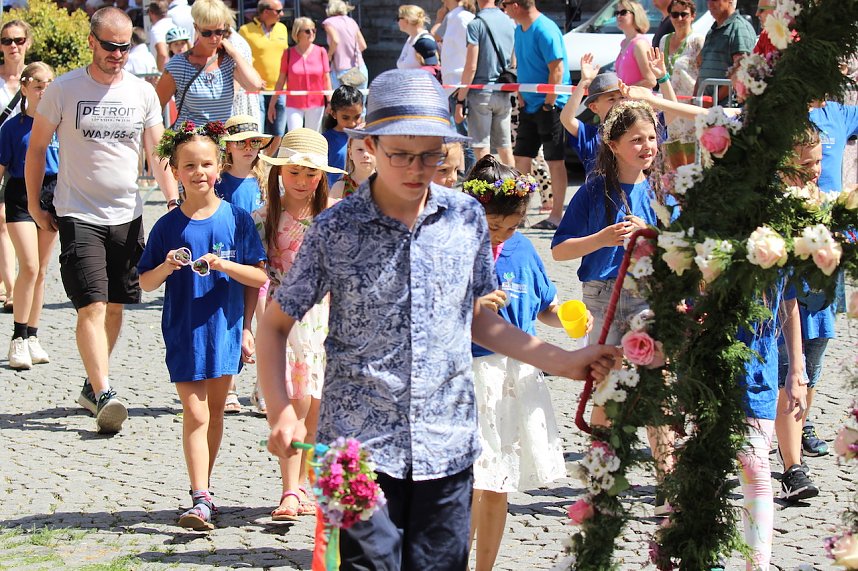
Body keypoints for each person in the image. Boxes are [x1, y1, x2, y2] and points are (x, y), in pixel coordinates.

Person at [256, 68, 621, 569]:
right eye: (401, 155)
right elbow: (274, 325)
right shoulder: (334, 228)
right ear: (371, 148)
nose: (415, 168)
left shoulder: (466, 218)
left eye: (430, 154)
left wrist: (565, 361)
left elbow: (478, 321)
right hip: (355, 450)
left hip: (446, 445)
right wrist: (280, 410)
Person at [25, 7, 179, 434]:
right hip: (79, 213)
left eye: (125, 47)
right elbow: (37, 149)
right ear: (92, 42)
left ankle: (93, 385)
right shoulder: (64, 89)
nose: (117, 54)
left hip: (127, 215)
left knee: (115, 307)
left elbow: (157, 152)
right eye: (110, 46)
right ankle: (106, 391)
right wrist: (38, 206)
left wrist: (171, 201)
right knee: (91, 304)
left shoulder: (142, 92)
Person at [138, 120, 267, 530]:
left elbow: (259, 279)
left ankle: (204, 489)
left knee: (214, 413)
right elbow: (144, 282)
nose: (198, 173)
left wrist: (247, 326)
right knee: (194, 413)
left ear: (219, 165)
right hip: (184, 329)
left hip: (225, 330)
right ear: (175, 171)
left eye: (206, 164)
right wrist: (166, 264)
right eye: (189, 166)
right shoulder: (166, 225)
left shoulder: (238, 219)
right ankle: (200, 495)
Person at [551, 100, 675, 511]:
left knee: (659, 388)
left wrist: (652, 234)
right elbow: (561, 251)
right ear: (614, 144)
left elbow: (683, 249)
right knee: (606, 388)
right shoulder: (593, 189)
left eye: (652, 138)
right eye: (636, 139)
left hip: (650, 295)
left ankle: (667, 481)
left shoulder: (663, 189)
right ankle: (603, 482)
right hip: (604, 294)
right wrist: (601, 239)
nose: (647, 146)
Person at [462, 155, 569, 571]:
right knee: (470, 481)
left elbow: (545, 305)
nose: (503, 234)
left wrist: (564, 315)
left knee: (498, 483)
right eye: (493, 226)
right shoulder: (454, 245)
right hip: (470, 375)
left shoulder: (523, 248)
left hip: (515, 376)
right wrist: (470, 304)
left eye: (512, 225)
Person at [252, 128, 344, 521]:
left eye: (310, 174)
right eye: (294, 172)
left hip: (324, 321)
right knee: (290, 402)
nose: (302, 181)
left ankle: (309, 482)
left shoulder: (334, 219)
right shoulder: (260, 219)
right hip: (280, 319)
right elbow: (255, 278)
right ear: (278, 173)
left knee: (317, 410)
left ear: (322, 177)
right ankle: (290, 489)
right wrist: (249, 326)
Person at [774, 128, 826, 503]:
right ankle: (793, 467)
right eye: (805, 163)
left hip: (819, 309)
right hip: (781, 308)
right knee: (785, 377)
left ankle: (793, 458)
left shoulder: (824, 203)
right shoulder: (773, 207)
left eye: (819, 161)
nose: (814, 171)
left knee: (805, 381)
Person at [2, 63, 58, 370]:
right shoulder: (12, 127)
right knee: (30, 265)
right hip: (20, 195)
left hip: (51, 193)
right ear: (25, 89)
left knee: (42, 270)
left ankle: (33, 334)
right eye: (38, 85)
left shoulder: (60, 123)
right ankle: (18, 337)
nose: (44, 90)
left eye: (49, 83)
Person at [217, 114, 272, 413]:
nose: (248, 148)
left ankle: (264, 388)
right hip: (227, 260)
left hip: (259, 264)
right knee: (230, 323)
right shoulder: (218, 181)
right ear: (229, 147)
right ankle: (229, 387)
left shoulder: (265, 179)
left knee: (265, 327)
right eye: (241, 142)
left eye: (254, 142)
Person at [505, 0, 570, 231]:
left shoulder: (545, 28)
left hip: (551, 104)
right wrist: (521, 93)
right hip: (530, 104)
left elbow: (557, 69)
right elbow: (523, 64)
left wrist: (549, 104)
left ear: (515, 5)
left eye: (504, 4)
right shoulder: (519, 30)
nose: (503, 9)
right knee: (521, 158)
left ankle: (556, 215)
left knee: (555, 160)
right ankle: (518, 213)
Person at [156, 0, 264, 126]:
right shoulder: (179, 64)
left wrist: (234, 52)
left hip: (223, 141)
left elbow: (254, 85)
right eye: (206, 33)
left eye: (219, 32)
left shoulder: (229, 60)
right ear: (196, 28)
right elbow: (156, 108)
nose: (213, 38)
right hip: (190, 142)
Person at [455, 0, 515, 166]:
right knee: (505, 148)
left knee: (481, 148)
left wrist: (460, 99)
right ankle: (517, 189)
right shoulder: (509, 21)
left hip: (480, 93)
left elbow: (471, 66)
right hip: (503, 91)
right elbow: (514, 61)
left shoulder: (476, 24)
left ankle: (486, 190)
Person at [0, 20, 33, 314]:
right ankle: (9, 285)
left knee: (4, 221)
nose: (13, 46)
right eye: (7, 40)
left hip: (21, 160)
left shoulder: (36, 78)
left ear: (28, 43)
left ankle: (12, 288)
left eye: (18, 40)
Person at [238, 0, 290, 150]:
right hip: (256, 89)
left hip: (280, 88)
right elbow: (242, 59)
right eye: (278, 11)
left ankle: (267, 162)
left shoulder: (282, 28)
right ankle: (258, 160)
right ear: (265, 12)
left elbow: (284, 57)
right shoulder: (244, 30)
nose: (282, 14)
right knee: (257, 130)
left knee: (279, 131)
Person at [560, 58, 625, 176]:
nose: (619, 103)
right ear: (594, 108)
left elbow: (669, 114)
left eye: (622, 98)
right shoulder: (590, 135)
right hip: (598, 193)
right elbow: (566, 118)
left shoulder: (635, 129)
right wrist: (584, 82)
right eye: (611, 99)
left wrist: (663, 79)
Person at [659, 0, 703, 168]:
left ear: (692, 16)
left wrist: (697, 99)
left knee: (692, 161)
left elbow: (701, 72)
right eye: (674, 14)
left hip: (688, 106)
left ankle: (691, 193)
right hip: (669, 104)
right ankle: (676, 194)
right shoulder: (664, 40)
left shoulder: (698, 40)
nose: (679, 18)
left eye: (683, 14)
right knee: (673, 158)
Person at [433, 0, 476, 172]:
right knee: (462, 138)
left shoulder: (463, 17)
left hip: (460, 85)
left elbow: (472, 53)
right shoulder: (452, 16)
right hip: (453, 84)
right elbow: (436, 36)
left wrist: (462, 92)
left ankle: (472, 181)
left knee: (467, 140)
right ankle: (466, 177)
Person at [268, 17, 331, 133]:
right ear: (297, 33)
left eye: (314, 30)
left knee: (313, 138)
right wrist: (272, 104)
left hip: (316, 103)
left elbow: (326, 79)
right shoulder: (288, 54)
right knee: (295, 136)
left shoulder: (321, 52)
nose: (311, 33)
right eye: (307, 31)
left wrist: (330, 102)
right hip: (294, 103)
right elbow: (280, 81)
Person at [695, 0, 755, 100]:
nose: (710, 4)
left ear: (730, 1)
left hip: (724, 108)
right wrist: (696, 99)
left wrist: (714, 100)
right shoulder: (712, 31)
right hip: (706, 107)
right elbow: (702, 68)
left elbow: (741, 70)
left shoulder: (739, 28)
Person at [322, 85, 363, 187]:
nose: (352, 123)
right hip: (333, 197)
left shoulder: (366, 137)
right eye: (345, 117)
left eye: (357, 117)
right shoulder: (325, 140)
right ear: (333, 114)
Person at [323, 0, 368, 90]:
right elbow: (363, 45)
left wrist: (329, 55)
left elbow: (335, 40)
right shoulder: (351, 21)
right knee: (360, 103)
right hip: (359, 69)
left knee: (340, 103)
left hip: (341, 70)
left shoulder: (328, 22)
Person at [614, 0, 656, 88]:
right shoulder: (624, 43)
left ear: (636, 15)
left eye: (623, 12)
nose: (618, 16)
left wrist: (625, 90)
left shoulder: (640, 44)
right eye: (617, 13)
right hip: (626, 99)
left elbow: (650, 81)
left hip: (639, 100)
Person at [329, 135, 376, 199]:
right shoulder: (339, 188)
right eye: (360, 149)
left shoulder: (389, 186)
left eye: (371, 149)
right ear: (350, 154)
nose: (366, 155)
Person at [395, 5, 439, 72]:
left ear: (407, 20)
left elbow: (432, 70)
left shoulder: (425, 42)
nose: (397, 22)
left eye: (398, 18)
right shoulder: (410, 39)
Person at [146, 0, 175, 71]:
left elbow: (163, 54)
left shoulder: (157, 30)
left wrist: (159, 73)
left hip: (166, 73)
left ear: (151, 13)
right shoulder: (173, 25)